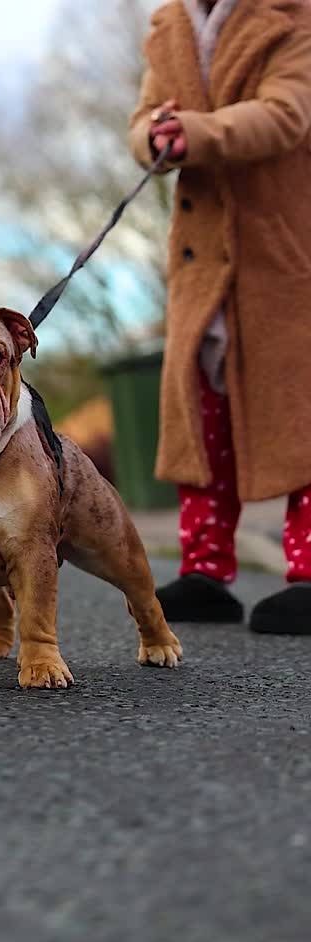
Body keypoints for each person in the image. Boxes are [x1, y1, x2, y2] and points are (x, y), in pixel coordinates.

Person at [129, 0, 311, 635]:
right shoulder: (170, 27)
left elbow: (286, 114)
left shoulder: (295, 21)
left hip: (281, 256)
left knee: (298, 413)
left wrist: (196, 132)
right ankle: (206, 569)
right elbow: (142, 116)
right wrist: (153, 134)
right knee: (198, 416)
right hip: (200, 261)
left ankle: (309, 570)